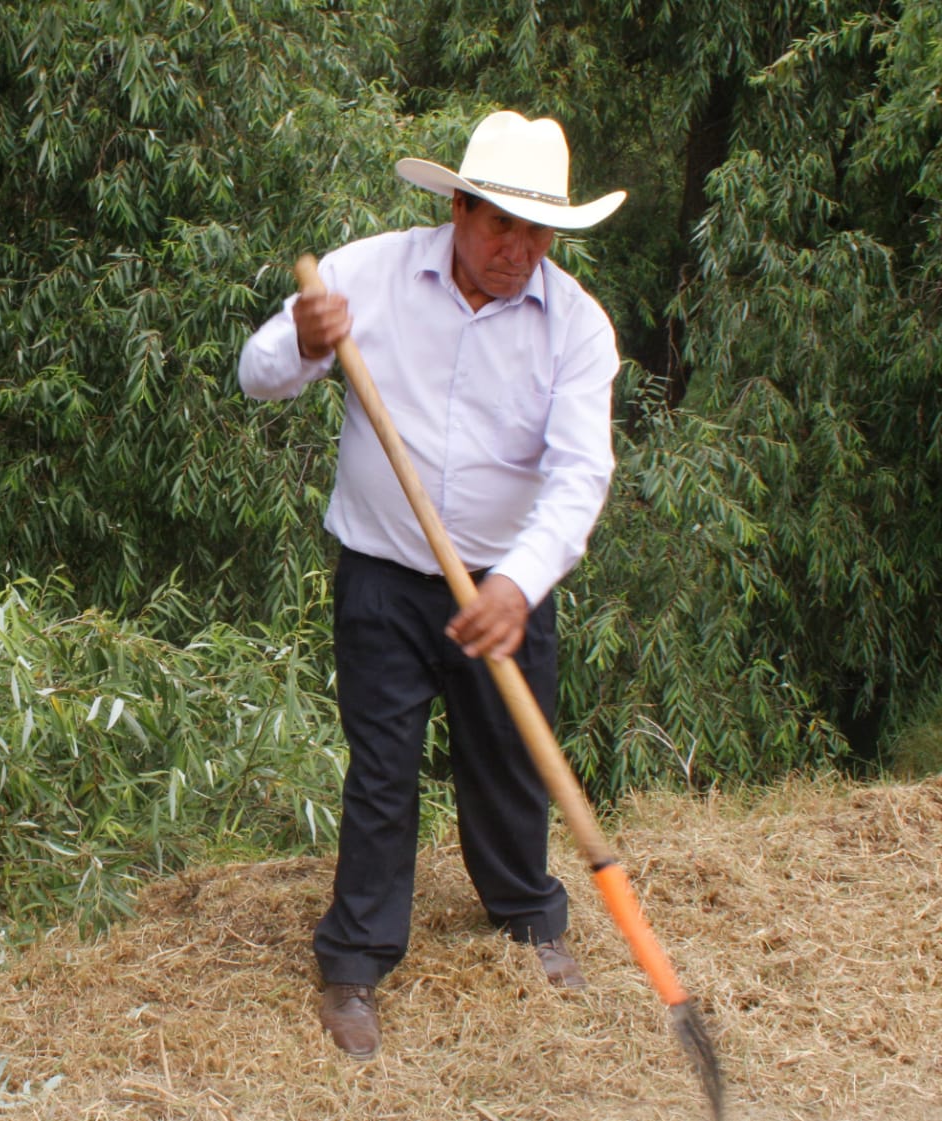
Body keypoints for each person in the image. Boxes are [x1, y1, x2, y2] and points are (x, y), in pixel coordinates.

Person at [238, 110, 626, 1060]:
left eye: (539, 233)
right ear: (457, 207)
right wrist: (304, 334)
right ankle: (357, 964)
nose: (517, 250)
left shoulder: (576, 325)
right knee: (383, 769)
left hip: (506, 582)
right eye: (501, 225)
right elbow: (259, 376)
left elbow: (580, 475)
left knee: (507, 756)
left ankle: (530, 919)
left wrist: (520, 583)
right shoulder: (367, 271)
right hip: (382, 571)